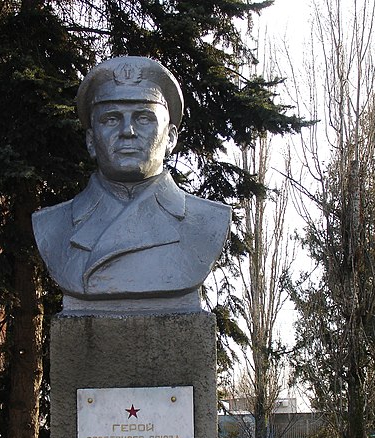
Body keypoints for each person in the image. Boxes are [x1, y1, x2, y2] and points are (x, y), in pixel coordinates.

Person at [32, 56, 231, 314]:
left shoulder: (207, 222)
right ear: (91, 140)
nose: (128, 131)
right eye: (111, 119)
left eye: (144, 118)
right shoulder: (53, 226)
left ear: (170, 138)